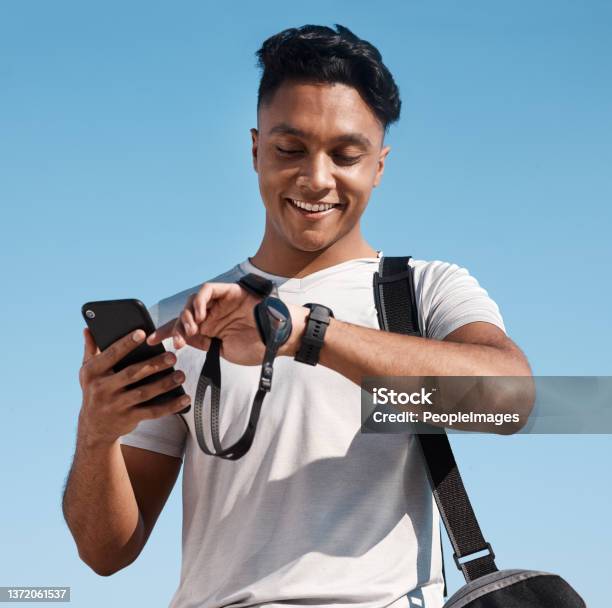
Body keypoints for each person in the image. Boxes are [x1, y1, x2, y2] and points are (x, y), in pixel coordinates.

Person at [62, 24, 532, 608]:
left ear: (379, 165)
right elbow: (106, 553)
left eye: (346, 154)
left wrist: (305, 333)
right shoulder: (182, 321)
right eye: (290, 150)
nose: (316, 178)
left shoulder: (424, 291)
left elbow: (510, 402)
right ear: (255, 149)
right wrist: (96, 433)